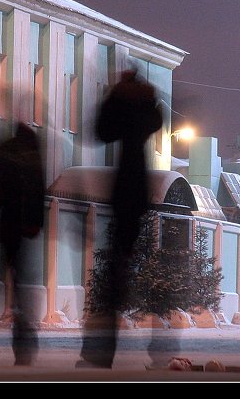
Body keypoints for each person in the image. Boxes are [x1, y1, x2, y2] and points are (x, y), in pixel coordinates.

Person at [78, 67, 163, 368]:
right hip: (136, 192)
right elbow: (153, 120)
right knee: (120, 273)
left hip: (128, 192)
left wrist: (116, 96)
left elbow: (100, 131)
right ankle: (104, 349)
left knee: (116, 276)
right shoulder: (144, 116)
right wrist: (144, 98)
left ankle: (100, 351)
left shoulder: (129, 114)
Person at [0, 122, 45, 366]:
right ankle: (24, 345)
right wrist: (35, 224)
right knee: (21, 288)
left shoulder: (7, 151)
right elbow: (38, 195)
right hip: (24, 231)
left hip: (8, 227)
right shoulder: (33, 158)